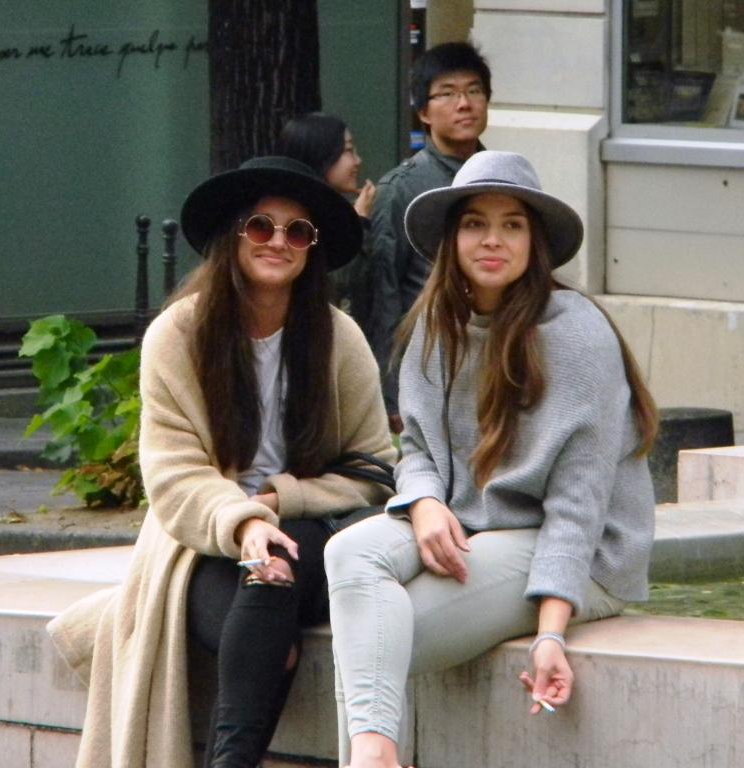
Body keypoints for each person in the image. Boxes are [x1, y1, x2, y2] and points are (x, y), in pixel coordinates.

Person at [46, 156, 396, 768]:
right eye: (261, 226)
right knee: (270, 615)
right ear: (233, 236)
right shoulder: (178, 334)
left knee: (278, 568)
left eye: (297, 231)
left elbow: (373, 469)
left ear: (312, 248)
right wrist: (244, 522)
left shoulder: (339, 337)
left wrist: (281, 503)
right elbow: (174, 474)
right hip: (201, 540)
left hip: (315, 530)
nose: (278, 242)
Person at [325, 151, 659, 768]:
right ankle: (375, 756)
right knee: (348, 553)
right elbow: (416, 448)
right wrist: (424, 502)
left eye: (512, 225)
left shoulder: (576, 334)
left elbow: (579, 506)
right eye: (475, 223)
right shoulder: (436, 325)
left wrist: (551, 631)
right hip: (473, 525)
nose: (492, 240)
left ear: (536, 241)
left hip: (579, 553)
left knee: (373, 641)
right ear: (452, 238)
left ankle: (370, 758)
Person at [367, 41, 491, 432]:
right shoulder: (401, 188)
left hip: (492, 361)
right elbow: (383, 295)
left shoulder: (500, 179)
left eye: (474, 91)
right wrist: (391, 393)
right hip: (430, 367)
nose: (464, 104)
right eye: (447, 93)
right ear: (423, 112)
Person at [278, 112, 376, 329]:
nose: (358, 161)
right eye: (349, 150)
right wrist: (359, 223)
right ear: (322, 155)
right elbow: (337, 282)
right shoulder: (299, 219)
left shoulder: (334, 210)